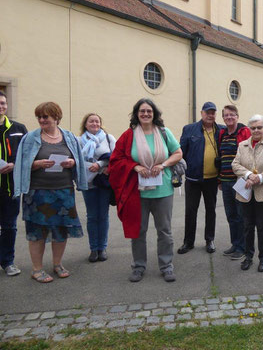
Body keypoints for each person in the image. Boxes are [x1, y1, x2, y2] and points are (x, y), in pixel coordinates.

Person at [109, 99, 182, 283]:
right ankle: (138, 266)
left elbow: (178, 153)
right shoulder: (129, 136)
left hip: (163, 190)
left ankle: (166, 266)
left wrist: (163, 164)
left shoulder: (164, 133)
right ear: (136, 114)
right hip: (138, 192)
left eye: (149, 111)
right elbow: (116, 160)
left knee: (164, 230)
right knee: (138, 231)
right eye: (142, 111)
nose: (146, 114)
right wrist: (134, 167)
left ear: (154, 114)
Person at [13, 102, 87, 283]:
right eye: (39, 117)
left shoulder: (68, 137)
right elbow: (20, 164)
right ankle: (37, 269)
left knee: (61, 230)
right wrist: (36, 164)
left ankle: (57, 264)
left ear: (56, 117)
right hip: (37, 193)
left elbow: (79, 159)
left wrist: (72, 162)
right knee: (38, 232)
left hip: (64, 191)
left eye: (45, 116)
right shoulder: (30, 138)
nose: (41, 120)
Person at [232, 114, 263, 272]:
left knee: (262, 226)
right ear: (249, 129)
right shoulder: (242, 145)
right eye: (253, 128)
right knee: (247, 226)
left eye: (259, 127)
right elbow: (235, 164)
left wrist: (258, 178)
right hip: (245, 191)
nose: (256, 130)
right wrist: (247, 175)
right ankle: (248, 256)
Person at [177, 101, 223, 255]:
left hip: (212, 179)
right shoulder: (189, 129)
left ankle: (209, 239)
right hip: (193, 179)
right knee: (191, 211)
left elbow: (238, 129)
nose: (210, 115)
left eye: (213, 112)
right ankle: (188, 242)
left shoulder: (221, 130)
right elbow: (180, 152)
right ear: (202, 113)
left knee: (211, 210)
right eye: (207, 112)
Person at [79, 113, 117, 263]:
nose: (94, 123)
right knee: (92, 216)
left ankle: (103, 248)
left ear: (100, 123)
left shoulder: (109, 138)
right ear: (85, 124)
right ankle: (93, 248)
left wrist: (100, 165)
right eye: (91, 121)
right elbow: (77, 159)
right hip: (88, 183)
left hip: (104, 182)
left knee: (103, 215)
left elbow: (115, 157)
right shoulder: (79, 140)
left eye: (97, 121)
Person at [217, 105, 251, 260]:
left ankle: (243, 247)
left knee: (241, 214)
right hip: (225, 180)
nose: (229, 117)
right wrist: (219, 179)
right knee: (231, 215)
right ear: (223, 118)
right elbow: (220, 156)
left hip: (239, 180)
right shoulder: (222, 133)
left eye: (232, 115)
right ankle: (235, 243)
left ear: (237, 116)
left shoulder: (244, 132)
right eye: (226, 115)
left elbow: (250, 153)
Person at [0, 91, 27, 277]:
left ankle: (8, 262)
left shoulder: (18, 128)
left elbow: (28, 154)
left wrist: (15, 165)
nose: (1, 106)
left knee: (9, 226)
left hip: (10, 187)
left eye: (2, 103)